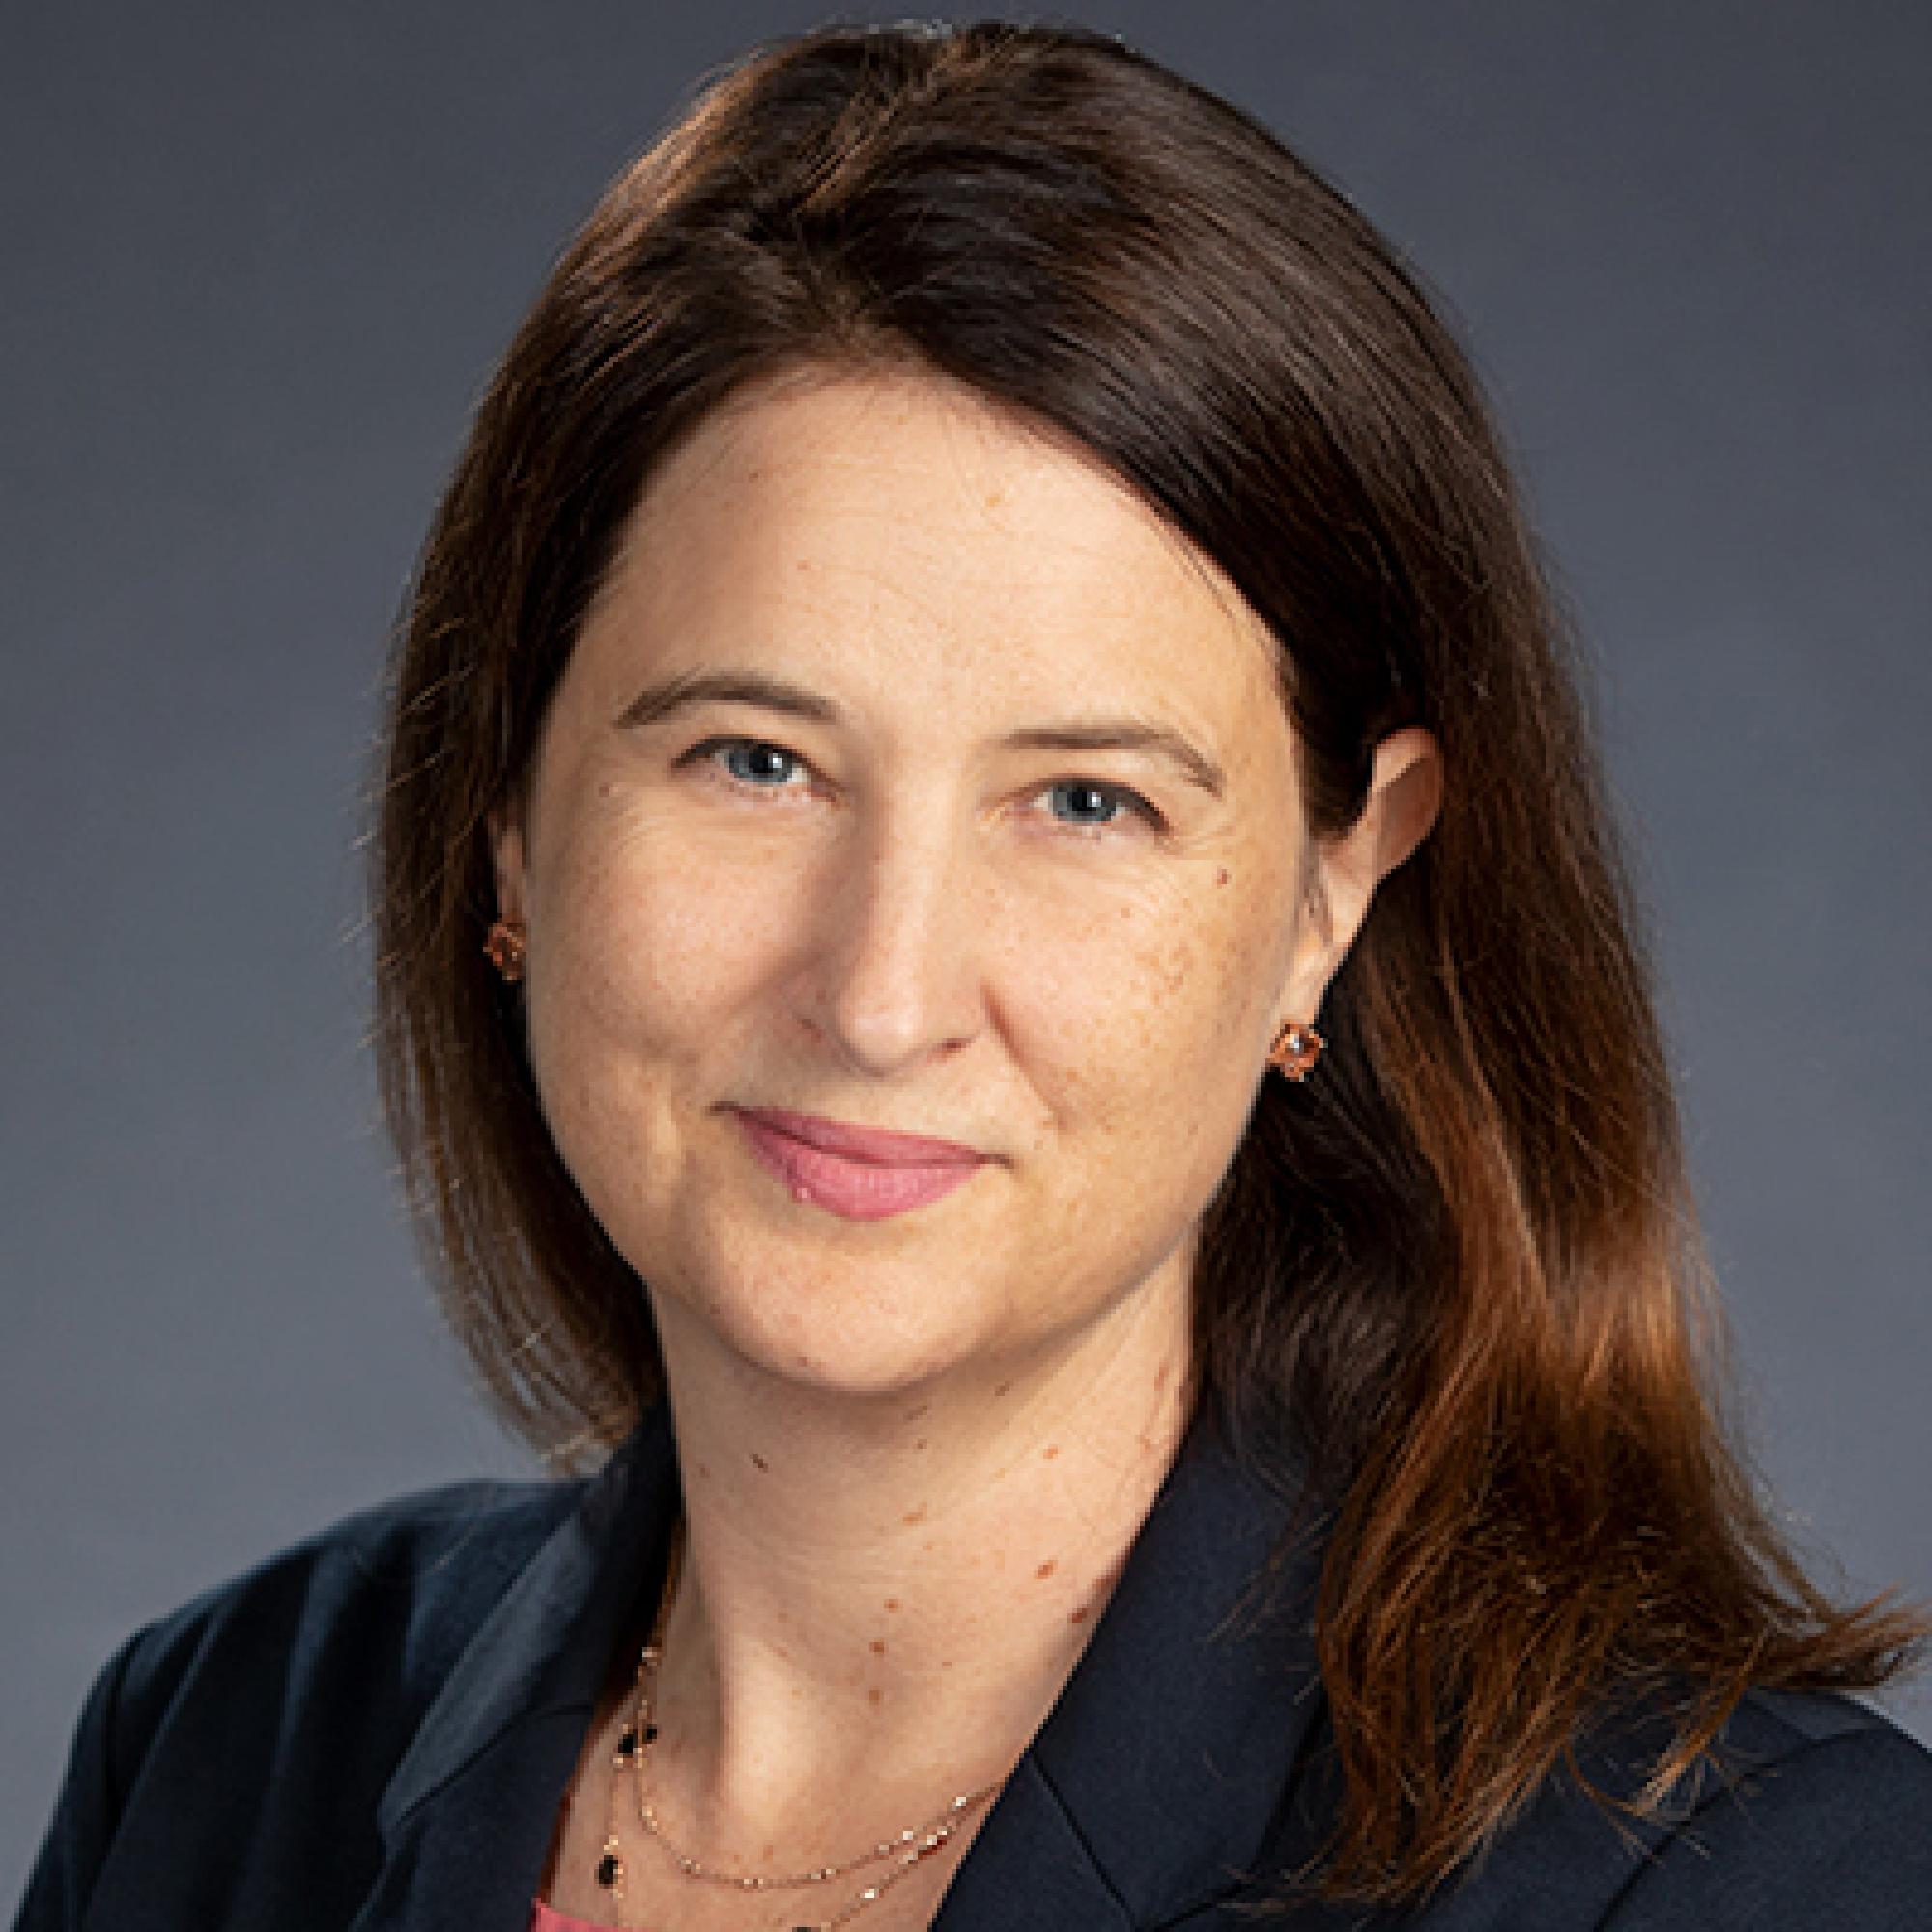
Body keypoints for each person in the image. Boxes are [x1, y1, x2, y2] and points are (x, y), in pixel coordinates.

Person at [16, 18, 1931, 1932]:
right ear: (509, 803)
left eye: (1084, 799)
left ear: (1337, 883)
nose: (879, 991)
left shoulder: (1747, 1879)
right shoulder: (223, 1749)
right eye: (752, 760)